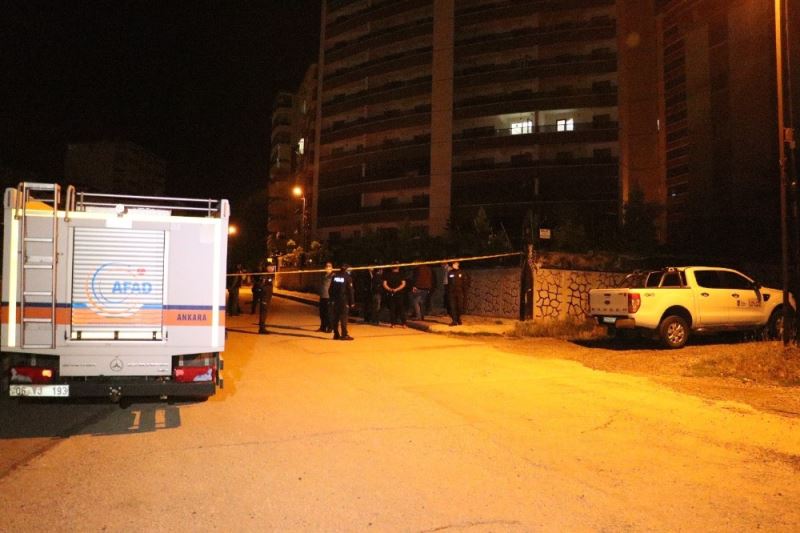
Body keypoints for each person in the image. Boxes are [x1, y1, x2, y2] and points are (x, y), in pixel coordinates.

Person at [328, 264, 355, 340]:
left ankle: (336, 334)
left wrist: (332, 299)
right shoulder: (347, 277)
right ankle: (344, 334)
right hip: (344, 300)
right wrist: (352, 302)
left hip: (335, 300)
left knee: (336, 317)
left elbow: (330, 289)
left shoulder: (335, 276)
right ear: (346, 269)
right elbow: (350, 291)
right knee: (344, 317)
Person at [383, 262, 407, 328]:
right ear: (398, 267)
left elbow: (384, 284)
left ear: (391, 267)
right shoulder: (401, 274)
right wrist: (396, 289)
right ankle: (403, 324)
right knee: (400, 308)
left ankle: (393, 324)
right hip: (399, 293)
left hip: (391, 293)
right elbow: (403, 284)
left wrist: (390, 289)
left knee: (392, 309)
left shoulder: (387, 274)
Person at [447, 261, 469, 326]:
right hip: (452, 292)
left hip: (459, 292)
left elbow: (465, 283)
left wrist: (465, 292)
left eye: (455, 264)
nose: (454, 265)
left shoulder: (462, 272)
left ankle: (458, 318)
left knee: (460, 307)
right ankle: (454, 320)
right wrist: (449, 291)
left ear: (458, 264)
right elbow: (449, 282)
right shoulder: (450, 272)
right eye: (453, 264)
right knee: (452, 306)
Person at [258, 261, 275, 334]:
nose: (272, 268)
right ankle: (261, 329)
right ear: (267, 267)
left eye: (273, 267)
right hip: (264, 296)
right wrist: (264, 292)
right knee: (263, 312)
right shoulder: (264, 275)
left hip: (267, 296)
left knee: (265, 312)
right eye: (271, 267)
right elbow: (261, 285)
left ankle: (262, 327)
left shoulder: (269, 275)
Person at [317, 262, 334, 332]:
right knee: (322, 313)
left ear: (332, 268)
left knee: (328, 313)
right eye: (326, 266)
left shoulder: (333, 276)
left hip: (328, 297)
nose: (327, 268)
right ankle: (323, 327)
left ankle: (330, 327)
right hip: (322, 296)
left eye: (329, 266)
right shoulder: (324, 275)